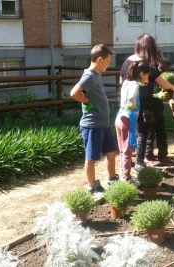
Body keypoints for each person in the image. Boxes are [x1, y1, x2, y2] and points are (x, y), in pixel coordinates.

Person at [120, 33, 174, 172]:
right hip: (145, 106)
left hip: (128, 105)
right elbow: (162, 82)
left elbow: (121, 83)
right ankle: (140, 163)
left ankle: (130, 164)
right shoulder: (147, 65)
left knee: (131, 134)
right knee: (143, 134)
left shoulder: (126, 61)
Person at [70, 44, 118, 199]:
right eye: (108, 61)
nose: (109, 64)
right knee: (91, 157)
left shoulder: (97, 74)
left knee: (111, 151)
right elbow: (74, 93)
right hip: (92, 125)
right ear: (99, 59)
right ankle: (93, 186)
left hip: (103, 123)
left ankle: (112, 180)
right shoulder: (89, 75)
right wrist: (86, 102)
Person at [115, 61, 153, 184]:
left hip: (120, 117)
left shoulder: (126, 81)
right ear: (142, 74)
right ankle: (126, 178)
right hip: (128, 118)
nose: (147, 78)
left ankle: (124, 174)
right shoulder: (135, 85)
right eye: (147, 75)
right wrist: (132, 104)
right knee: (128, 149)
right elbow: (131, 97)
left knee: (122, 149)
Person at [144, 58, 174, 166]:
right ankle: (148, 155)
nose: (163, 71)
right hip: (148, 109)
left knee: (162, 133)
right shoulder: (148, 76)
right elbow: (141, 94)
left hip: (159, 108)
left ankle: (163, 155)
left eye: (166, 70)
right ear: (158, 65)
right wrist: (156, 95)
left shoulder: (162, 78)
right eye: (162, 68)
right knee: (150, 133)